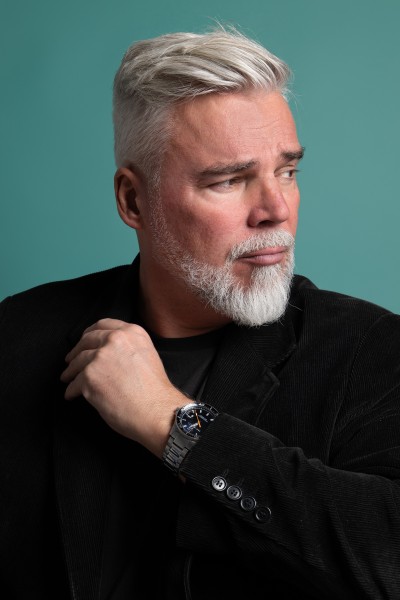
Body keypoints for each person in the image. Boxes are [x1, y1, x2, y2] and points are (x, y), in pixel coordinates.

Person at [1, 28, 400, 600]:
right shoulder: (17, 336)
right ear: (133, 200)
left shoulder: (371, 349)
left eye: (287, 171)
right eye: (229, 180)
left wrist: (175, 423)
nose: (276, 209)